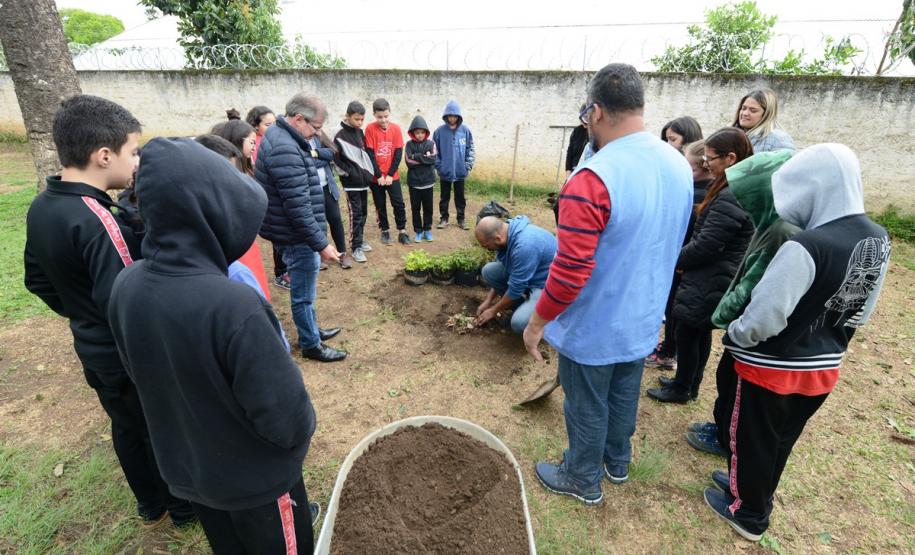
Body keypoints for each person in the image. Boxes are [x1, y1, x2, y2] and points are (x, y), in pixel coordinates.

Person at [108, 137, 318, 553]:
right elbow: (287, 419)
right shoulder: (234, 305)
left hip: (195, 475)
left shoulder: (126, 284)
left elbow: (138, 373)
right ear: (209, 210)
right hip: (259, 485)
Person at [522, 64, 693, 505]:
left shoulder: (593, 177)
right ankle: (617, 461)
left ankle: (582, 477)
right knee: (623, 395)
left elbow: (570, 270)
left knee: (586, 404)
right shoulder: (677, 163)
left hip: (594, 325)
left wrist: (537, 322)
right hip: (642, 317)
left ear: (595, 111)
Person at [23, 95, 195, 528]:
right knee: (158, 425)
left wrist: (82, 314)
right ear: (104, 156)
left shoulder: (43, 205)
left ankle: (150, 504)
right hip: (125, 353)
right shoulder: (97, 218)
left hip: (92, 347)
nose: (137, 162)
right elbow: (129, 297)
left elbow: (37, 281)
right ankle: (183, 507)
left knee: (126, 425)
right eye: (133, 151)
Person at [703, 144, 889, 541]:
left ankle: (748, 514)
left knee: (752, 439)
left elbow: (766, 315)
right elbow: (862, 310)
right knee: (779, 442)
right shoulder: (878, 239)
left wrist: (737, 336)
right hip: (823, 367)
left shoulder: (806, 245)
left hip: (770, 368)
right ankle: (751, 490)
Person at [684, 149, 798, 457]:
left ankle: (725, 439)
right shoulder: (770, 222)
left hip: (751, 328)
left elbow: (754, 280)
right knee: (726, 379)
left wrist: (727, 313)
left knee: (738, 391)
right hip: (741, 325)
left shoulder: (782, 231)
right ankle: (720, 426)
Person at [647, 129, 754, 403]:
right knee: (697, 332)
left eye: (711, 159)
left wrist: (673, 261)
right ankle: (689, 382)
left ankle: (682, 388)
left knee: (688, 332)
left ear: (731, 158)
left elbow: (707, 245)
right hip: (711, 275)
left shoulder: (732, 197)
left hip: (711, 277)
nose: (707, 164)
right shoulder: (730, 188)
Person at [255, 93, 346, 363]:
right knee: (303, 294)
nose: (317, 134)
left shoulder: (284, 137)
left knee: (305, 289)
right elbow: (298, 206)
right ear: (298, 119)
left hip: (291, 230)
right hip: (296, 235)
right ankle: (311, 344)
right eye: (315, 128)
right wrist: (321, 244)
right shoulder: (285, 147)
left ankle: (312, 330)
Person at [645, 139, 713, 370]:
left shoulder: (698, 198)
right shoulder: (703, 191)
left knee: (675, 309)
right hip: (682, 262)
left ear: (704, 167)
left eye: (690, 168)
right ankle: (670, 348)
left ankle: (668, 353)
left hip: (682, 264)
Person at [475, 215, 557, 334]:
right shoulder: (507, 231)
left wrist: (493, 311)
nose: (488, 249)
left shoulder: (524, 246)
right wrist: (488, 300)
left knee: (518, 323)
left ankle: (543, 321)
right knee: (488, 271)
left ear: (498, 239)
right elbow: (507, 268)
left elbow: (516, 289)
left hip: (545, 284)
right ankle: (521, 306)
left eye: (487, 246)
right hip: (529, 275)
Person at [364, 98, 409, 245]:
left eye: (386, 116)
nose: (383, 120)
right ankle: (385, 231)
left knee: (398, 204)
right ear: (374, 115)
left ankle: (402, 231)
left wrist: (389, 174)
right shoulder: (370, 129)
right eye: (379, 117)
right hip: (376, 178)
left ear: (390, 113)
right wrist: (378, 175)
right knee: (380, 204)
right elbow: (370, 154)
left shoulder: (396, 129)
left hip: (392, 176)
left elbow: (397, 154)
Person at [334, 101, 375, 264]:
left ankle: (360, 239)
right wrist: (350, 174)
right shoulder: (339, 136)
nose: (359, 123)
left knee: (364, 212)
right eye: (356, 119)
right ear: (348, 116)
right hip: (351, 184)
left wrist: (366, 174)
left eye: (362, 120)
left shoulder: (360, 133)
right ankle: (355, 246)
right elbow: (335, 161)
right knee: (355, 214)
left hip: (363, 182)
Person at [310, 130, 353, 269]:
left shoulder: (318, 135)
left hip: (327, 187)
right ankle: (321, 255)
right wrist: (322, 158)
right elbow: (304, 163)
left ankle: (342, 253)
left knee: (335, 219)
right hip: (311, 190)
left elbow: (332, 153)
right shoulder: (298, 140)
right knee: (317, 222)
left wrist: (316, 153)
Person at [434, 100, 475, 230]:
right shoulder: (439, 132)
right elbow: (434, 152)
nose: (452, 118)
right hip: (445, 172)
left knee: (460, 198)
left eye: (455, 116)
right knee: (444, 197)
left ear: (458, 116)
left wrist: (467, 167)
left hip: (460, 172)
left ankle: (461, 219)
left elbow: (470, 149)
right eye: (450, 116)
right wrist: (439, 167)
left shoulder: (465, 131)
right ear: (446, 116)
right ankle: (444, 218)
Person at [405, 115, 438, 242]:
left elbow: (433, 159)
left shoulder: (431, 143)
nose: (420, 135)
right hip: (414, 183)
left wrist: (416, 156)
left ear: (426, 132)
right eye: (417, 132)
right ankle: (418, 231)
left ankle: (427, 230)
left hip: (428, 182)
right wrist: (424, 158)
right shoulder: (409, 144)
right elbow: (408, 162)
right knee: (415, 209)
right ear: (413, 133)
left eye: (422, 132)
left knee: (428, 208)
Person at [732, 88, 796, 153]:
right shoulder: (730, 134)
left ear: (767, 114)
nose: (745, 113)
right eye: (743, 108)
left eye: (753, 110)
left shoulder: (779, 139)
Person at [213, 109, 257, 176]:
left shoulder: (248, 162)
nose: (254, 148)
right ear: (238, 140)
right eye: (251, 143)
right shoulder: (227, 169)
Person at [564, 105, 589, 179]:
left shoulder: (597, 134)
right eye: (582, 118)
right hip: (573, 172)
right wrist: (568, 173)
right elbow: (570, 152)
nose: (583, 121)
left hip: (586, 174)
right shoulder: (577, 131)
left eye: (586, 118)